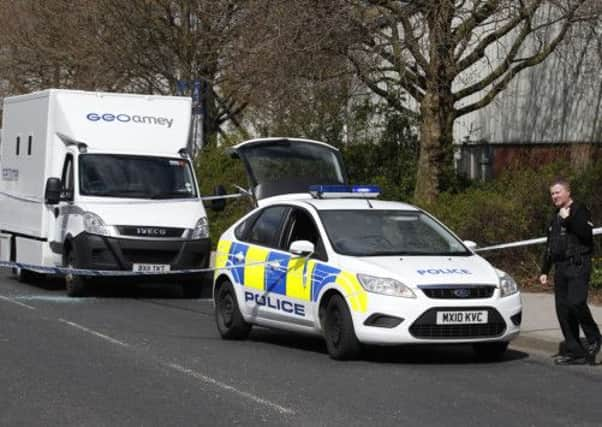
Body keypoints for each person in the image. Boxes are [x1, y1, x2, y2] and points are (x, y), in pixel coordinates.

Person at [539, 177, 601, 365]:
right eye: (552, 194)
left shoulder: (579, 210)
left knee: (576, 303)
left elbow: (586, 235)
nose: (554, 196)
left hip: (578, 264)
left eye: (557, 192)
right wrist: (544, 270)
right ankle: (575, 351)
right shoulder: (554, 215)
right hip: (561, 268)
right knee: (563, 310)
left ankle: (595, 338)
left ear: (568, 192)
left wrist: (569, 219)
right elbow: (551, 245)